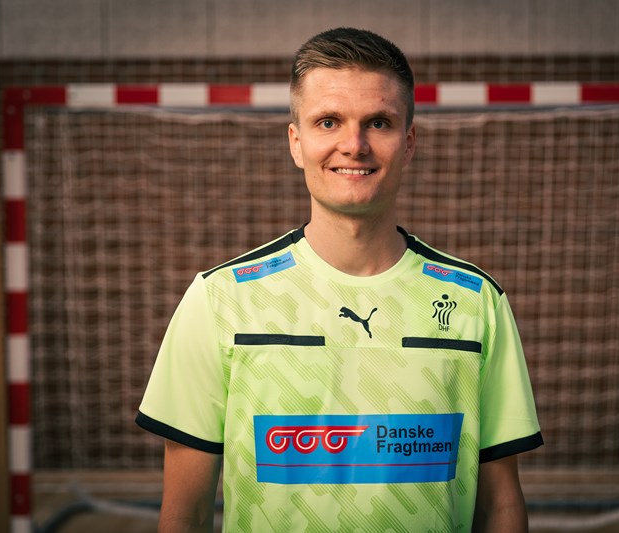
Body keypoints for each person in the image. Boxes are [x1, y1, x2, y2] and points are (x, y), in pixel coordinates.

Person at [136, 27, 542, 533]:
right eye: (328, 122)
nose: (354, 145)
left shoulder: (476, 301)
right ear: (296, 142)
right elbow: (185, 514)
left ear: (409, 144)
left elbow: (501, 506)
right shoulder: (220, 300)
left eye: (379, 122)